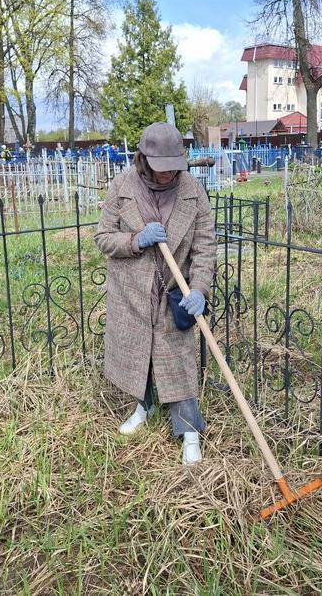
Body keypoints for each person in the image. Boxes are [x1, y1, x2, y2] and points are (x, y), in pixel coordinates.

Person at [94, 122, 215, 466]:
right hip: (132, 292)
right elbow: (103, 237)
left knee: (178, 360)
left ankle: (190, 430)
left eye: (174, 168)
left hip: (174, 292)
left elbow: (205, 247)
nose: (168, 176)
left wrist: (200, 288)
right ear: (144, 159)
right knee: (140, 355)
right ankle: (142, 407)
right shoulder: (122, 186)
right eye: (161, 169)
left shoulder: (193, 190)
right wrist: (135, 240)